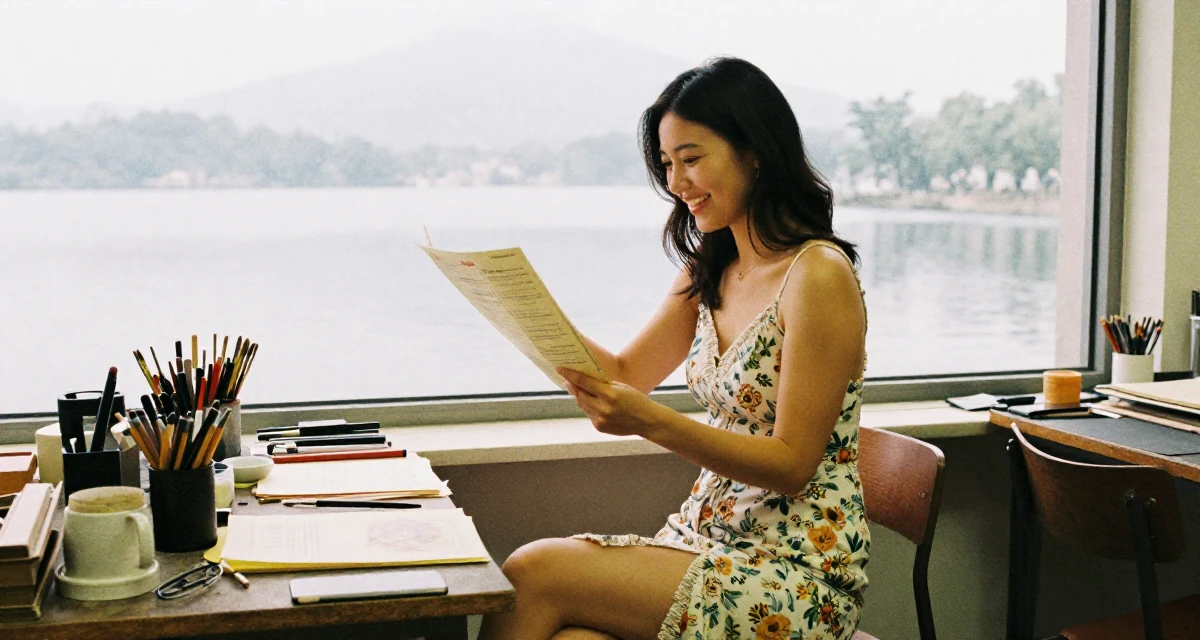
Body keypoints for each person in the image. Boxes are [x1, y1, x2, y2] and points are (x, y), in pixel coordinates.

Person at [480, 57, 870, 640]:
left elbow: (792, 466)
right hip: (706, 542)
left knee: (533, 570)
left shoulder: (817, 275)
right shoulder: (709, 266)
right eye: (666, 164)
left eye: (691, 159)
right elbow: (624, 373)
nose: (675, 182)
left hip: (798, 572)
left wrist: (649, 422)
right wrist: (514, 306)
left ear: (755, 150)